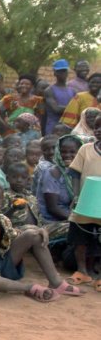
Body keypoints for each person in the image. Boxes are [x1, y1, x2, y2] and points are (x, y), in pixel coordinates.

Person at [0, 185, 84, 301]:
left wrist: (38, 229)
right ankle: (29, 288)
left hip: (2, 264)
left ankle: (56, 282)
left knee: (35, 236)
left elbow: (14, 233)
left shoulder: (1, 220)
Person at [65, 117, 101, 288]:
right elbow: (75, 174)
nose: (99, 130)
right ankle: (82, 271)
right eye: (96, 127)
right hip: (85, 201)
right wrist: (77, 196)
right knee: (80, 237)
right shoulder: (86, 149)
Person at [43, 60, 76, 135]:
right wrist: (73, 109)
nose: (63, 73)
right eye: (60, 71)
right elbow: (56, 109)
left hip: (69, 126)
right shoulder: (49, 90)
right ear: (55, 73)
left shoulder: (73, 91)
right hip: (53, 127)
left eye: (64, 71)